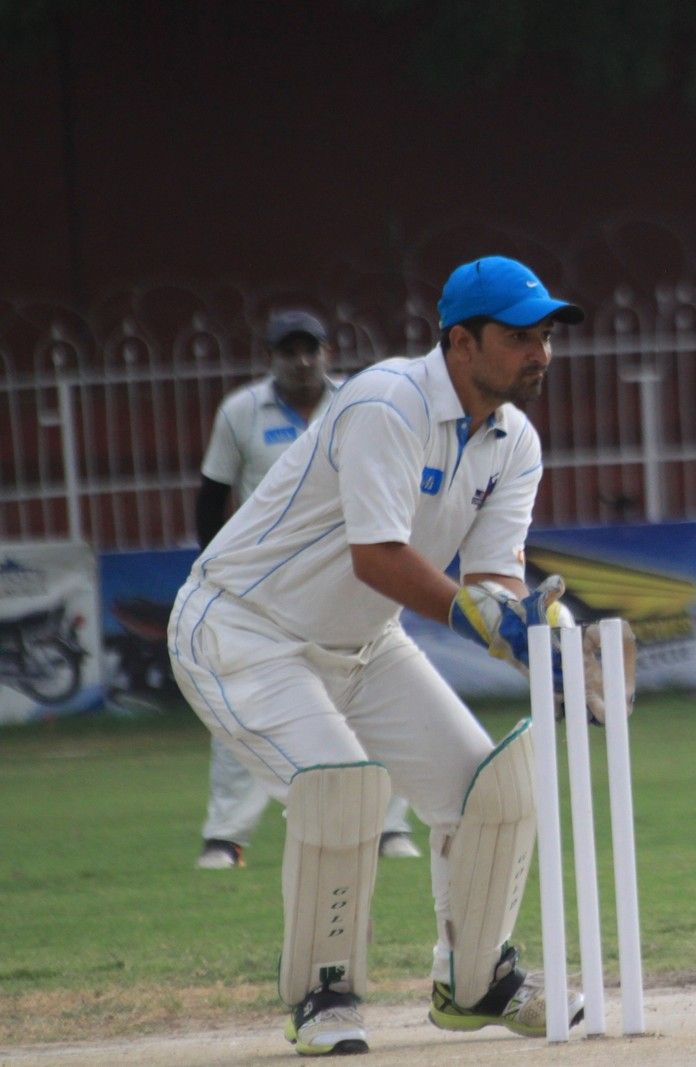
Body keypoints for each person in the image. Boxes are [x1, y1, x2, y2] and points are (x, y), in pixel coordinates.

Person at [168, 256, 588, 1055]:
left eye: (545, 336)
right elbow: (378, 557)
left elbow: (493, 583)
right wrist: (481, 619)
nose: (540, 353)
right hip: (244, 629)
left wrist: (543, 636)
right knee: (342, 790)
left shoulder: (514, 441)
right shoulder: (387, 401)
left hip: (363, 642)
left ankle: (476, 980)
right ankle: (323, 995)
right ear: (460, 342)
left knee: (493, 790)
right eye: (518, 337)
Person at [192, 309, 422, 870]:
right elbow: (212, 496)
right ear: (270, 357)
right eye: (288, 351)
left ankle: (389, 826)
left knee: (374, 695)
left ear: (326, 352)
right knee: (243, 700)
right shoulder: (241, 412)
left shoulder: (361, 403)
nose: (301, 361)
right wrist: (215, 568)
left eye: (310, 349)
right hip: (267, 587)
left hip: (355, 576)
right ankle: (225, 837)